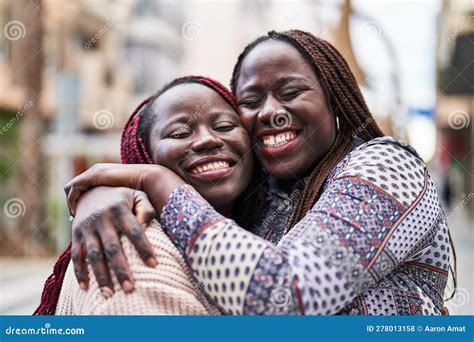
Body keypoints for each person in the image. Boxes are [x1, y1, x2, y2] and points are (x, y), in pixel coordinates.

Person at [63, 30, 454, 315]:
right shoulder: (263, 196)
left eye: (291, 91)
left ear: (333, 99)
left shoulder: (385, 166)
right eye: (250, 100)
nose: (269, 111)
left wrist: (155, 180)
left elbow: (287, 296)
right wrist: (100, 195)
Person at [35, 76, 256, 315]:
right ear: (144, 159)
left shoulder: (260, 223)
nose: (208, 140)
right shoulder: (131, 247)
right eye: (180, 133)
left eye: (224, 126)